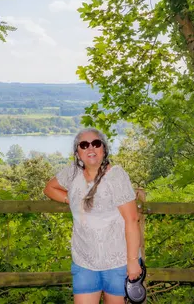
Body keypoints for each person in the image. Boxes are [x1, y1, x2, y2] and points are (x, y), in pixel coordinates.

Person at [44, 128, 141, 304]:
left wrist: (133, 261)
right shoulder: (72, 173)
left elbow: (132, 220)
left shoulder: (116, 176)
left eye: (96, 144)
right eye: (84, 145)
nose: (91, 148)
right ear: (77, 152)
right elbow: (49, 188)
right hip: (84, 262)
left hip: (117, 262)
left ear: (104, 149)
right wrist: (71, 199)